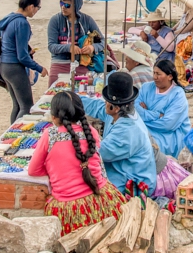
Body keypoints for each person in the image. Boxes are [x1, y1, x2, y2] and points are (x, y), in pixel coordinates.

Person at [27, 92, 128, 233]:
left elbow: (33, 170)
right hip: (102, 199)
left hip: (68, 207)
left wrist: (54, 170)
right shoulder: (90, 131)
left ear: (55, 117)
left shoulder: (49, 135)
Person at [79, 71, 157, 193]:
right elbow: (97, 107)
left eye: (106, 101)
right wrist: (75, 100)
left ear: (114, 107)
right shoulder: (120, 113)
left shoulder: (127, 130)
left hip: (132, 185)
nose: (104, 103)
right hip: (123, 172)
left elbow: (97, 153)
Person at [0, 0, 48, 123]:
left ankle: (10, 136)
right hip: (14, 68)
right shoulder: (22, 23)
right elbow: (22, 56)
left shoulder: (10, 18)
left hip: (4, 66)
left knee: (17, 105)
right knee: (26, 106)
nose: (37, 11)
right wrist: (39, 68)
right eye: (38, 8)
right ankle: (14, 135)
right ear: (31, 6)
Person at [136, 60, 191, 158]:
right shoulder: (146, 88)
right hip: (147, 128)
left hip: (170, 135)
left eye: (158, 74)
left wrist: (143, 116)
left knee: (147, 145)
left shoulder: (178, 95)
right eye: (154, 73)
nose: (154, 77)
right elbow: (135, 110)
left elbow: (167, 124)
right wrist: (157, 115)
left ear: (170, 76)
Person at [48, 0, 104, 85]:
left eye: (67, 5)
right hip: (59, 63)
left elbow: (103, 42)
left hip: (81, 63)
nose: (63, 7)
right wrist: (69, 47)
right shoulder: (55, 20)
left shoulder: (87, 20)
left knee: (82, 93)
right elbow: (51, 46)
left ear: (76, 6)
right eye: (61, 3)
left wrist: (92, 47)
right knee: (54, 94)